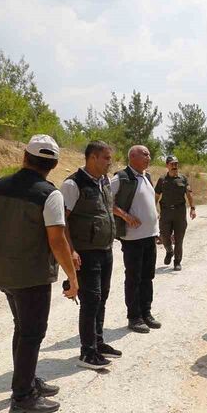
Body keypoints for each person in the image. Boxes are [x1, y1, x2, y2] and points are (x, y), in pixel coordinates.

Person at [0, 134, 79, 413]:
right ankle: (23, 397)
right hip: (31, 277)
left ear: (24, 157)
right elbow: (58, 241)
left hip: (3, 272)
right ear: (54, 164)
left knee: (22, 328)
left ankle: (27, 379)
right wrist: (73, 277)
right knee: (32, 332)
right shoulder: (50, 194)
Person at [61, 141, 120, 370]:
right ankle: (87, 352)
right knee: (90, 300)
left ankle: (98, 342)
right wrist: (71, 250)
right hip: (86, 252)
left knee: (102, 296)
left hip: (105, 249)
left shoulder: (104, 181)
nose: (109, 162)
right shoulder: (73, 184)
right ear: (93, 158)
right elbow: (62, 220)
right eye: (106, 158)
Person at [111, 145, 161, 333]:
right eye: (145, 154)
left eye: (149, 154)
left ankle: (146, 313)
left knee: (147, 276)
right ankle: (134, 317)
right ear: (132, 156)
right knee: (134, 277)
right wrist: (125, 216)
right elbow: (106, 199)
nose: (149, 157)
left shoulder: (146, 176)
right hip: (132, 239)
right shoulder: (121, 178)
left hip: (149, 236)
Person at [155, 155, 196, 270]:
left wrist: (192, 208)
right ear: (167, 166)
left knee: (179, 239)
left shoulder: (183, 179)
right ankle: (169, 251)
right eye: (172, 164)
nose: (174, 166)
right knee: (164, 235)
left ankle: (177, 261)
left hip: (180, 212)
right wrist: (154, 210)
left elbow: (189, 194)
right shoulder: (162, 180)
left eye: (176, 164)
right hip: (166, 212)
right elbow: (156, 196)